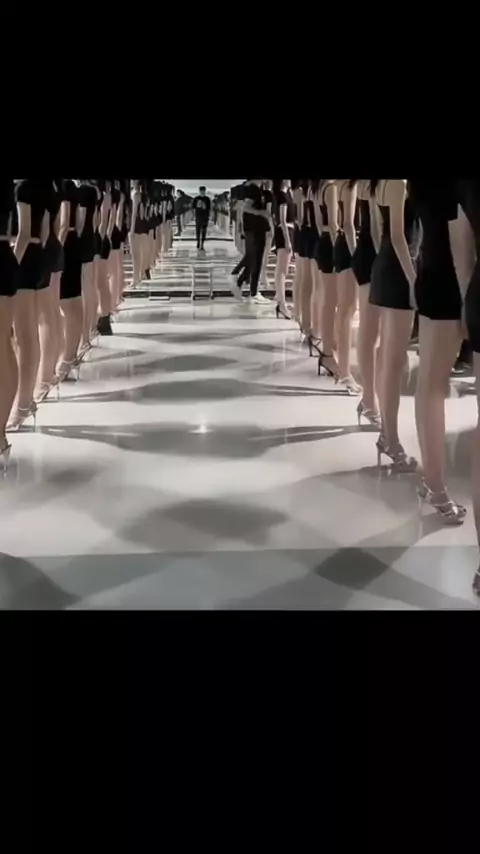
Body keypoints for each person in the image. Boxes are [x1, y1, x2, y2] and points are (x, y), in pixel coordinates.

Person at [192, 186, 211, 252]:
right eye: (201, 191)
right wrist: (194, 216)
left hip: (205, 217)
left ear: (205, 191)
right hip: (198, 216)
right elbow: (193, 208)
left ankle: (202, 244)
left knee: (204, 230)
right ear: (199, 191)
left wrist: (209, 216)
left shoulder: (207, 199)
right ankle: (198, 241)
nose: (202, 192)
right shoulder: (196, 198)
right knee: (198, 230)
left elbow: (209, 208)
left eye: (203, 191)